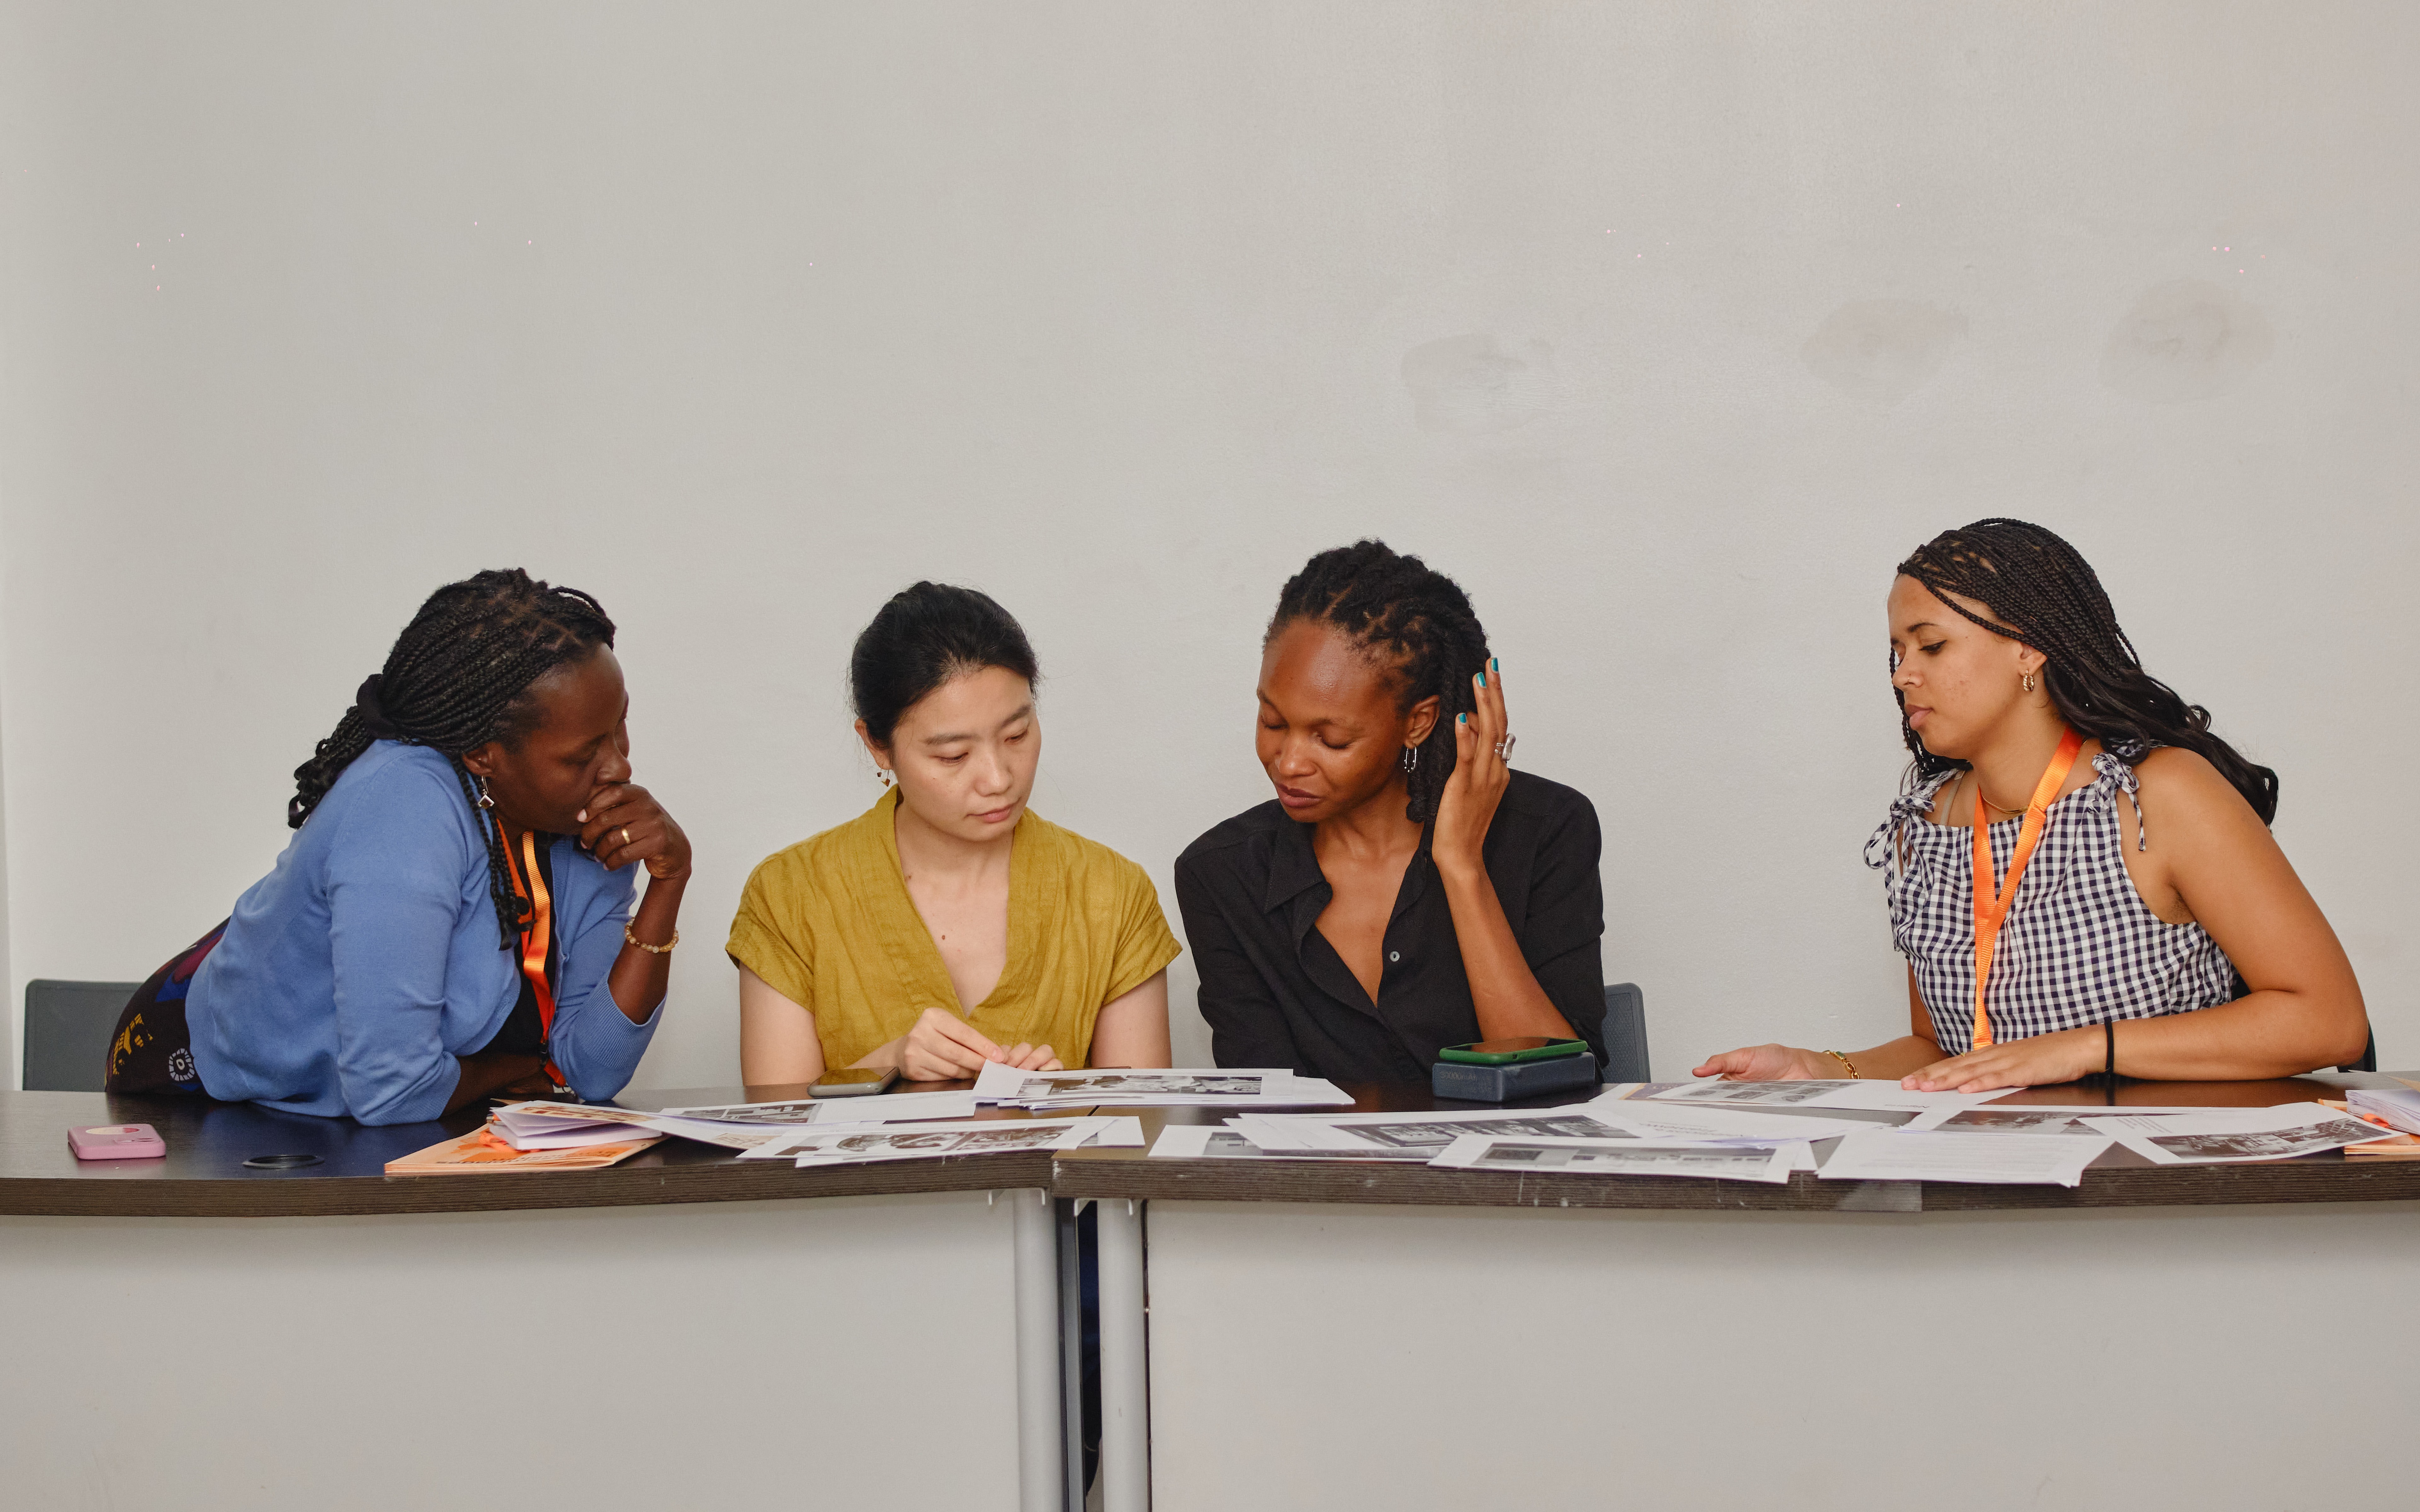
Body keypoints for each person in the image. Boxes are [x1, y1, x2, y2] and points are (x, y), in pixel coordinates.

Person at [1694, 518, 2367, 1093]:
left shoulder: (2160, 795)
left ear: (2028, 647)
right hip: (2012, 1194)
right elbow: (1950, 1052)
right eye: (1896, 651)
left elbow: (2329, 1020)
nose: (1902, 675)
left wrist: (2082, 1048)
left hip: (2169, 1191)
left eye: (1931, 645)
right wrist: (1823, 1067)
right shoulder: (1925, 829)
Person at [104, 569, 692, 1124]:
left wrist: (669, 881)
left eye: (619, 726)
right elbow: (392, 1091)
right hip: (195, 1083)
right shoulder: (406, 806)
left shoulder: (589, 823)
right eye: (583, 754)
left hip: (351, 1116)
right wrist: (522, 1067)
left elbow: (591, 1072)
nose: (620, 765)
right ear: (484, 754)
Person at [1176, 540, 1606, 1082]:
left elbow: (1562, 1084)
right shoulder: (1222, 876)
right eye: (1273, 722)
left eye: (1330, 739)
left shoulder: (1547, 831)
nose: (1288, 762)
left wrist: (1461, 865)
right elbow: (1263, 1113)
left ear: (1419, 721)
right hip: (1321, 1171)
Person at [730, 582, 1180, 1083]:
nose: (999, 779)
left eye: (1017, 735)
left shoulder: (1111, 893)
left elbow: (1143, 1122)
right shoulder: (792, 894)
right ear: (878, 746)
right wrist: (891, 1061)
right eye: (953, 756)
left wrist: (1064, 1096)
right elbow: (775, 1126)